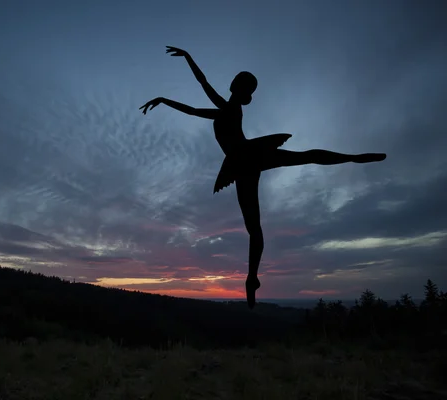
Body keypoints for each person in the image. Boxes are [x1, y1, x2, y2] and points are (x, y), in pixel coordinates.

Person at [140, 46, 386, 309]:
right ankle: (252, 277)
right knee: (255, 225)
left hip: (247, 156)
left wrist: (185, 64)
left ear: (241, 91)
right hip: (242, 164)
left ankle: (354, 157)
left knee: (302, 160)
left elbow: (203, 85)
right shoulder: (223, 110)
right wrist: (166, 97)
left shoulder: (229, 110)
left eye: (241, 84)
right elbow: (192, 106)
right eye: (239, 82)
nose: (234, 85)